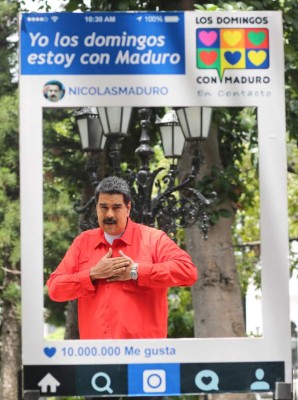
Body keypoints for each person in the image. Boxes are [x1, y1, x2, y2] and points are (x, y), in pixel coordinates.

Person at [47, 176, 198, 339]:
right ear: (96, 208)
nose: (109, 214)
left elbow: (188, 272)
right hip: (96, 355)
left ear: (128, 208)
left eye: (116, 207)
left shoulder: (153, 239)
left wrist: (136, 271)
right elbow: (55, 288)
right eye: (103, 207)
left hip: (144, 356)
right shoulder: (83, 243)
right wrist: (92, 274)